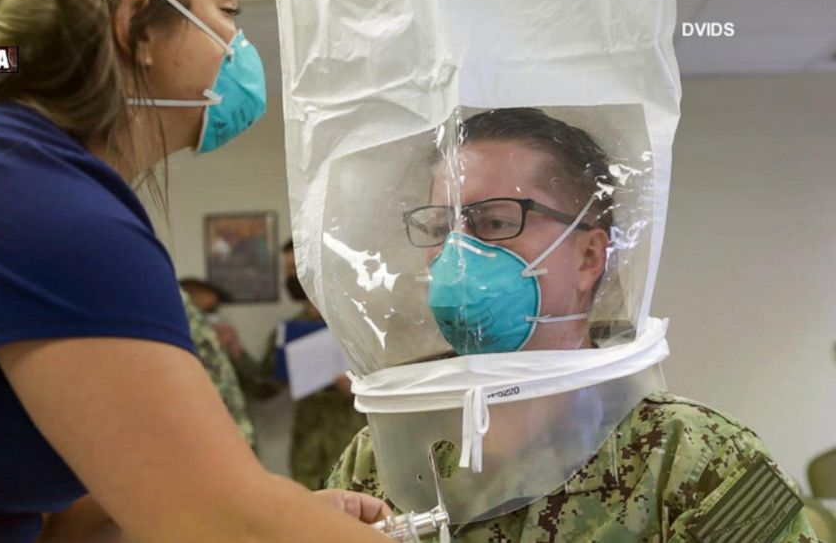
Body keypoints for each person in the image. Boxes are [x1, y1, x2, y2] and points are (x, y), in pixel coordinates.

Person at [0, 0, 392, 541]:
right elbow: (218, 525)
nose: (238, 42)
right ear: (136, 26)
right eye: (227, 12)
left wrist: (283, 513)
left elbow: (60, 516)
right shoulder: (35, 198)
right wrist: (254, 516)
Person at [326, 109, 819, 542]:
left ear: (588, 257)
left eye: (494, 223)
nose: (455, 254)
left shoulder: (695, 458)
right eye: (439, 229)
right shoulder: (383, 456)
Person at [234, 239, 368, 490]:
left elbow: (393, 382)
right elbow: (265, 387)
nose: (291, 278)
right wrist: (235, 352)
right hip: (308, 449)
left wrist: (359, 389)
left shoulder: (358, 324)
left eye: (295, 270)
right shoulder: (288, 332)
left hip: (353, 440)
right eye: (287, 273)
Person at [177, 278, 255, 447]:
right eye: (207, 313)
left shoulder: (219, 339)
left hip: (234, 437)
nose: (212, 320)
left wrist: (235, 351)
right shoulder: (184, 332)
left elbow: (257, 384)